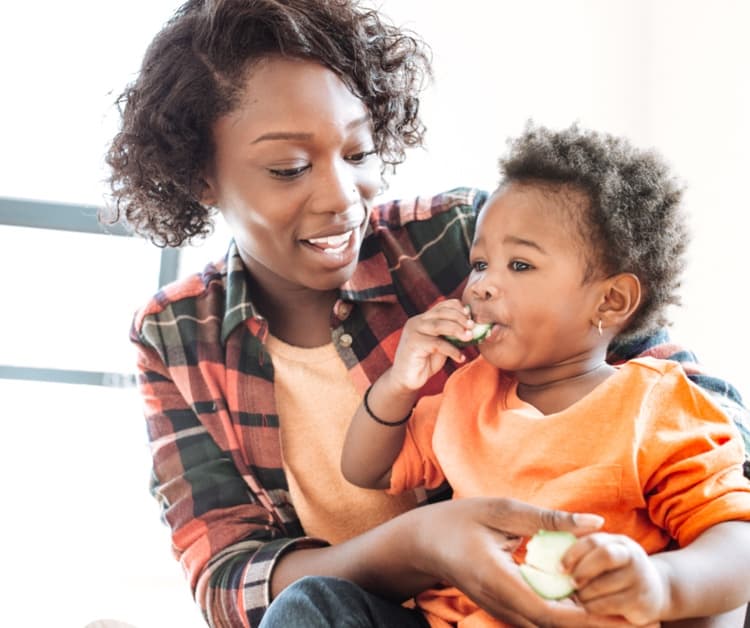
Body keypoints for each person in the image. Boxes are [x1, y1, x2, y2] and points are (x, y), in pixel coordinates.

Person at [103, 1, 750, 626]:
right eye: (290, 167)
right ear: (201, 178)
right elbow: (229, 581)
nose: (341, 199)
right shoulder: (176, 335)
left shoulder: (464, 235)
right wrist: (420, 541)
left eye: (357, 154)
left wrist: (674, 587)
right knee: (305, 612)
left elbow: (704, 415)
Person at [340, 123, 750, 627]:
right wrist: (397, 385)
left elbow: (737, 543)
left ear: (610, 301)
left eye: (519, 264)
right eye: (480, 263)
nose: (483, 285)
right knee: (312, 602)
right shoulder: (468, 392)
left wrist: (662, 584)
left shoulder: (656, 406)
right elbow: (368, 471)